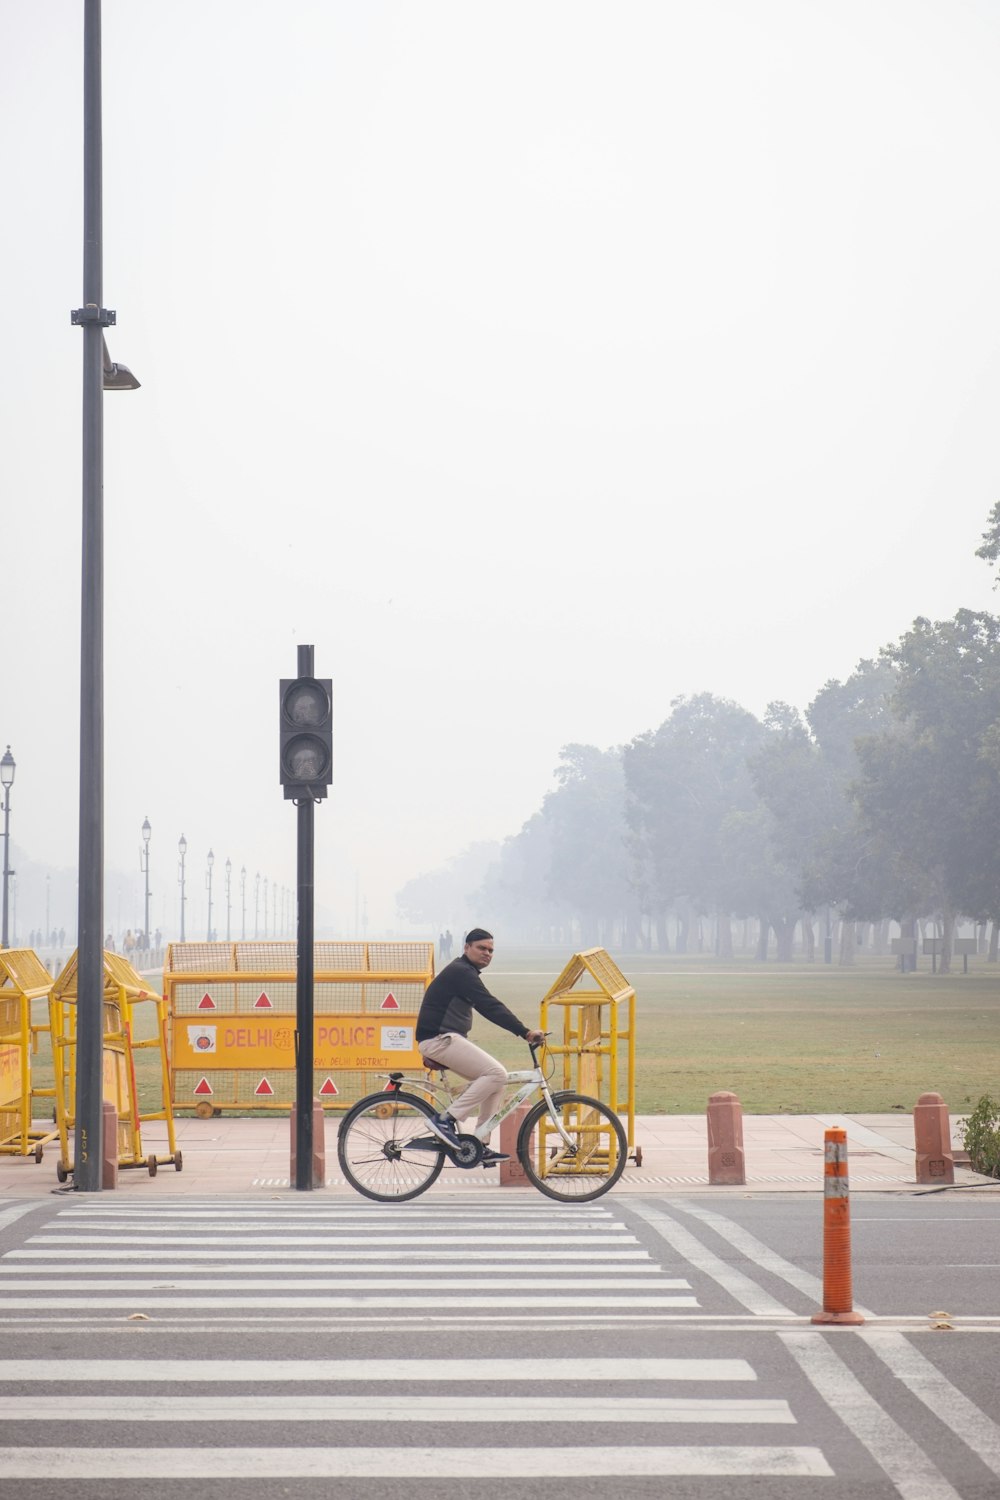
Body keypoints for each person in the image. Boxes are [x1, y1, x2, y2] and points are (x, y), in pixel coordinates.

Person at [415, 927, 544, 1166]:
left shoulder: (466, 972)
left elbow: (487, 1006)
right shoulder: (462, 972)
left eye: (491, 950)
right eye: (481, 948)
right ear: (466, 948)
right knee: (496, 1073)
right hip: (439, 1039)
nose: (487, 953)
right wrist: (524, 1032)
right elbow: (489, 1006)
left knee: (496, 1082)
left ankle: (480, 1144)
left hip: (445, 1039)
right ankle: (445, 1120)